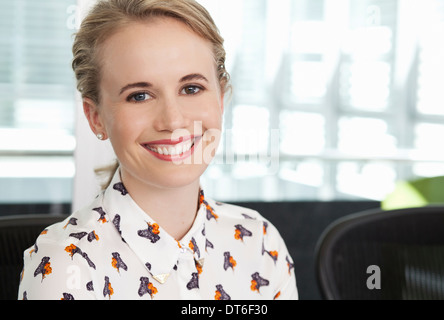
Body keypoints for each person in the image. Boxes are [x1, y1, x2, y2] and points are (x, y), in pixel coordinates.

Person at [18, 0, 298, 300]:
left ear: (220, 97)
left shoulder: (259, 242)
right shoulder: (65, 265)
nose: (173, 120)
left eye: (191, 88)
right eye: (139, 96)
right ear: (95, 117)